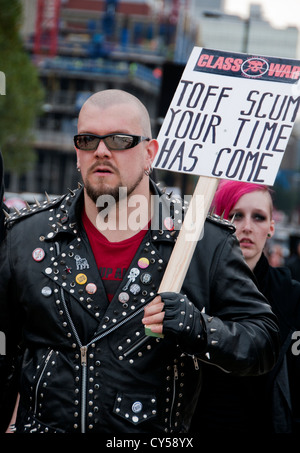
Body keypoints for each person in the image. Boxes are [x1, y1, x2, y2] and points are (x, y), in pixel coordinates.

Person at [0, 89, 279, 434]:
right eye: (87, 140)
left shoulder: (200, 240)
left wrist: (201, 330)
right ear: (77, 152)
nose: (101, 151)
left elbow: (263, 341)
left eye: (119, 140)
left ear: (150, 153)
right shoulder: (27, 237)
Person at [190, 180, 300, 433]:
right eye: (235, 215)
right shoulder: (188, 289)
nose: (247, 227)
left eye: (258, 217)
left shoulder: (292, 297)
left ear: (271, 227)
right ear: (216, 221)